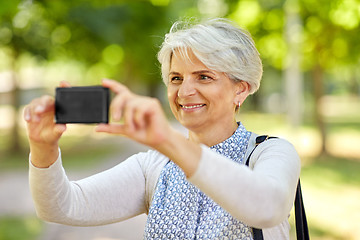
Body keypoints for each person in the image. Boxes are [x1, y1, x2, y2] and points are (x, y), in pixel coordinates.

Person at [24, 18, 300, 239]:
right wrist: (42, 146)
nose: (185, 91)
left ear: (241, 89)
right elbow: (61, 207)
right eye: (176, 78)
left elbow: (268, 207)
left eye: (204, 77)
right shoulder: (153, 166)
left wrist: (168, 140)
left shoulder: (272, 153)